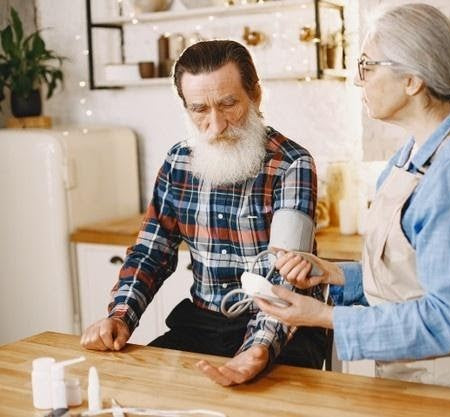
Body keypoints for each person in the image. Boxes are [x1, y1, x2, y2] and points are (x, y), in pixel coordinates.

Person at [256, 3, 450, 393]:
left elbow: (447, 319)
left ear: (412, 80)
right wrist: (333, 274)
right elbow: (410, 278)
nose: (357, 80)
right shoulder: (414, 153)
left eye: (367, 66)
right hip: (417, 371)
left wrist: (325, 317)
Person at [80, 40, 326, 386]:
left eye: (228, 104)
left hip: (286, 328)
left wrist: (257, 349)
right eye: (199, 109)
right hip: (203, 323)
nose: (216, 124)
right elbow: (152, 252)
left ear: (255, 96)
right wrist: (120, 317)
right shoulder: (178, 162)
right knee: (142, 391)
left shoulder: (292, 164)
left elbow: (287, 275)